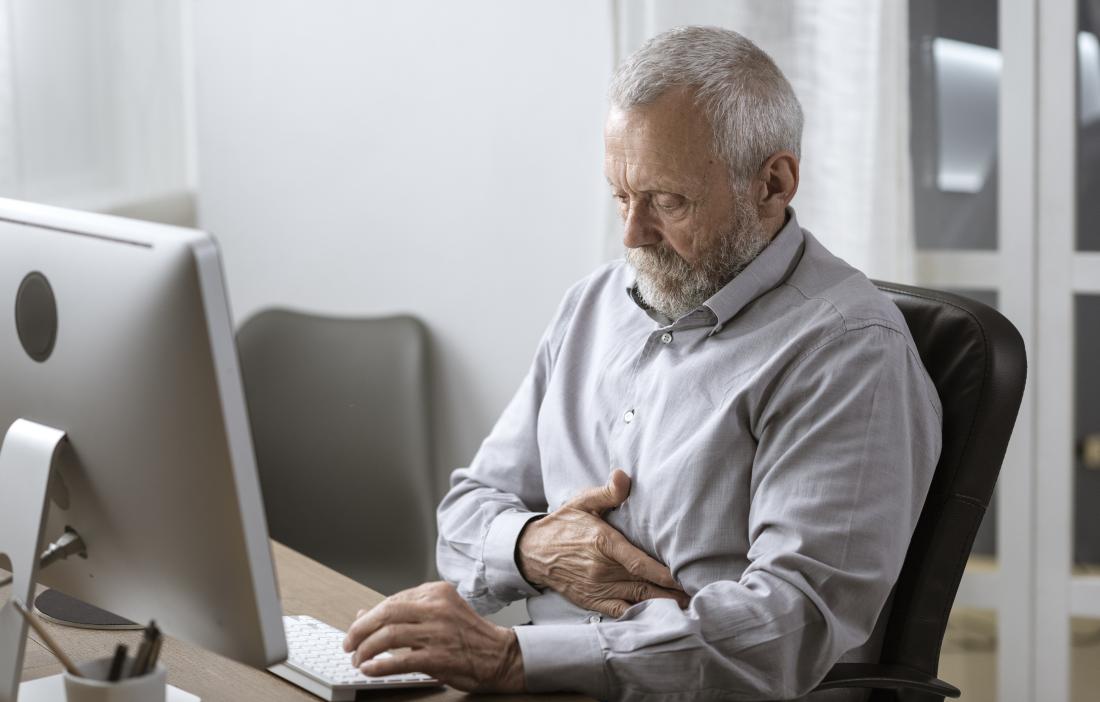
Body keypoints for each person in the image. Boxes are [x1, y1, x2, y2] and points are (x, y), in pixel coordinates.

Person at [342, 25, 941, 701]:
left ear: (772, 183)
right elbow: (464, 517)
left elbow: (786, 626)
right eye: (622, 196)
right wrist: (533, 546)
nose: (632, 234)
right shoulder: (595, 304)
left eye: (666, 201)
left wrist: (519, 659)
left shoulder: (848, 351)